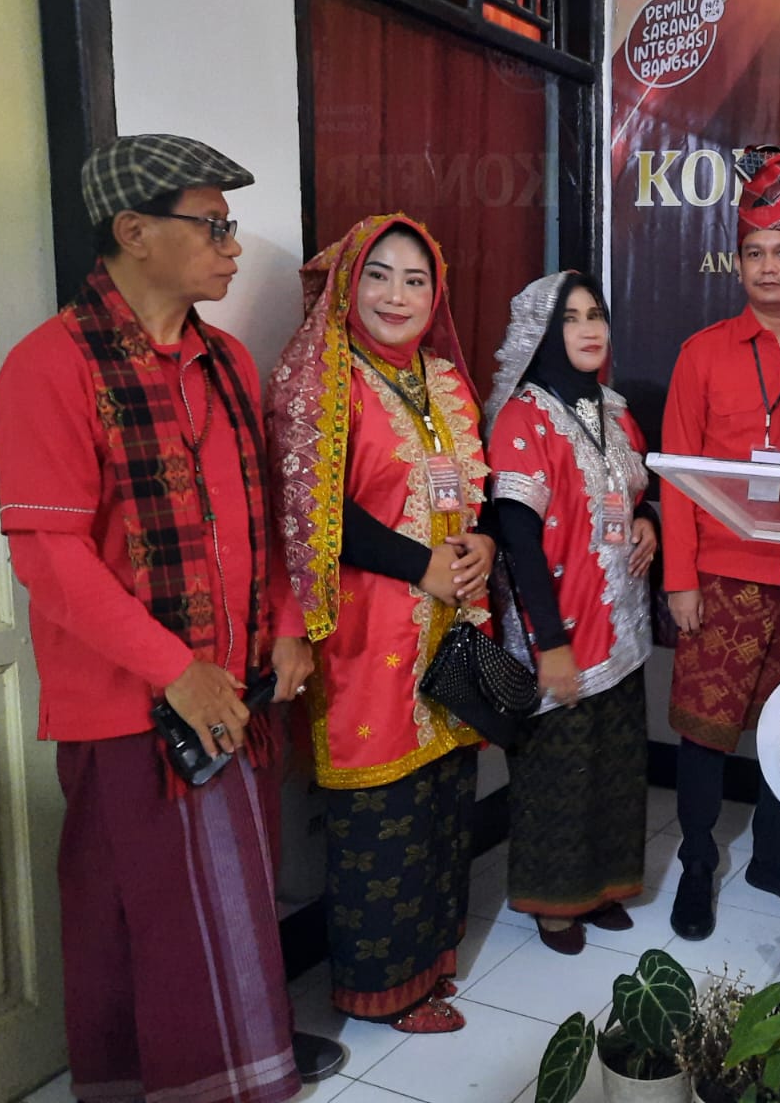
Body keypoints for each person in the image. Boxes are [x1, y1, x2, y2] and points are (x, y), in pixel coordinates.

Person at [0, 134, 312, 1103]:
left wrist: (286, 622)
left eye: (229, 226)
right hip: (128, 704)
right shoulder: (50, 367)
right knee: (143, 922)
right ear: (133, 232)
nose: (232, 246)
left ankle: (244, 1079)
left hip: (235, 690)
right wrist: (176, 669)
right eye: (212, 225)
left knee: (229, 907)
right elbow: (50, 557)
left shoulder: (226, 363)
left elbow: (261, 514)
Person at [268, 213, 495, 1034]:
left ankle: (431, 961)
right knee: (382, 811)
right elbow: (313, 509)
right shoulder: (321, 379)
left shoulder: (443, 377)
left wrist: (483, 542)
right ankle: (380, 989)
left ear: (437, 296)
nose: (397, 295)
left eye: (416, 280)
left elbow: (470, 484)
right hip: (369, 636)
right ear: (347, 283)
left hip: (452, 622)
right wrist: (420, 565)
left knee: (443, 799)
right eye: (379, 275)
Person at [662, 147, 780, 939]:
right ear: (737, 264)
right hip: (720, 576)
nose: (768, 267)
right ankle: (698, 860)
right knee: (703, 730)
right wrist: (680, 579)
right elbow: (675, 477)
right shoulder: (701, 353)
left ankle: (775, 856)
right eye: (755, 253)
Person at [484, 271, 657, 954]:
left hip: (620, 626)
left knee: (613, 763)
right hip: (558, 629)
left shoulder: (614, 411)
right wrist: (548, 643)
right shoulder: (523, 418)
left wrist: (647, 522)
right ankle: (554, 901)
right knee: (559, 770)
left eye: (596, 315)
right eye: (571, 318)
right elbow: (517, 540)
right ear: (542, 333)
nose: (589, 329)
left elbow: (635, 494)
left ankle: (603, 886)